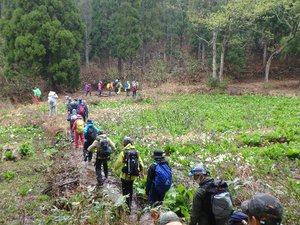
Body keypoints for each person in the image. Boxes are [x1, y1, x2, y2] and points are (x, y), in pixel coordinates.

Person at [114, 137, 144, 211]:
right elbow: (141, 164)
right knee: (130, 189)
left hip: (125, 176)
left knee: (125, 190)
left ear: (125, 144)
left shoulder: (124, 152)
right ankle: (129, 204)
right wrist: (140, 171)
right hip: (133, 175)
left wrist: (115, 169)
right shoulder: (136, 152)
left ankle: (126, 206)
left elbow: (118, 163)